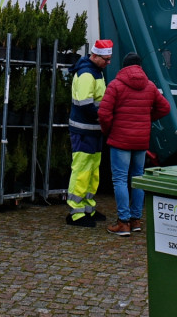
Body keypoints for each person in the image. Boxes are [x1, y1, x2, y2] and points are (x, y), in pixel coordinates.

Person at [98, 52, 170, 236]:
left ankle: (123, 222)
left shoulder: (115, 85)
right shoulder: (150, 86)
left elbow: (104, 114)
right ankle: (136, 220)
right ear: (139, 66)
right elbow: (165, 107)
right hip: (141, 141)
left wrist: (109, 130)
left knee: (120, 179)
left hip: (120, 139)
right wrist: (146, 119)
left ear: (124, 66)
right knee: (138, 177)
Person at [66, 39, 113, 227]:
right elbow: (86, 105)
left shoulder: (95, 71)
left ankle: (87, 208)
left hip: (92, 130)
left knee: (92, 171)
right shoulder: (87, 73)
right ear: (95, 56)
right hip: (84, 130)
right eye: (106, 59)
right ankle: (76, 213)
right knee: (82, 170)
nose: (108, 62)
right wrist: (105, 116)